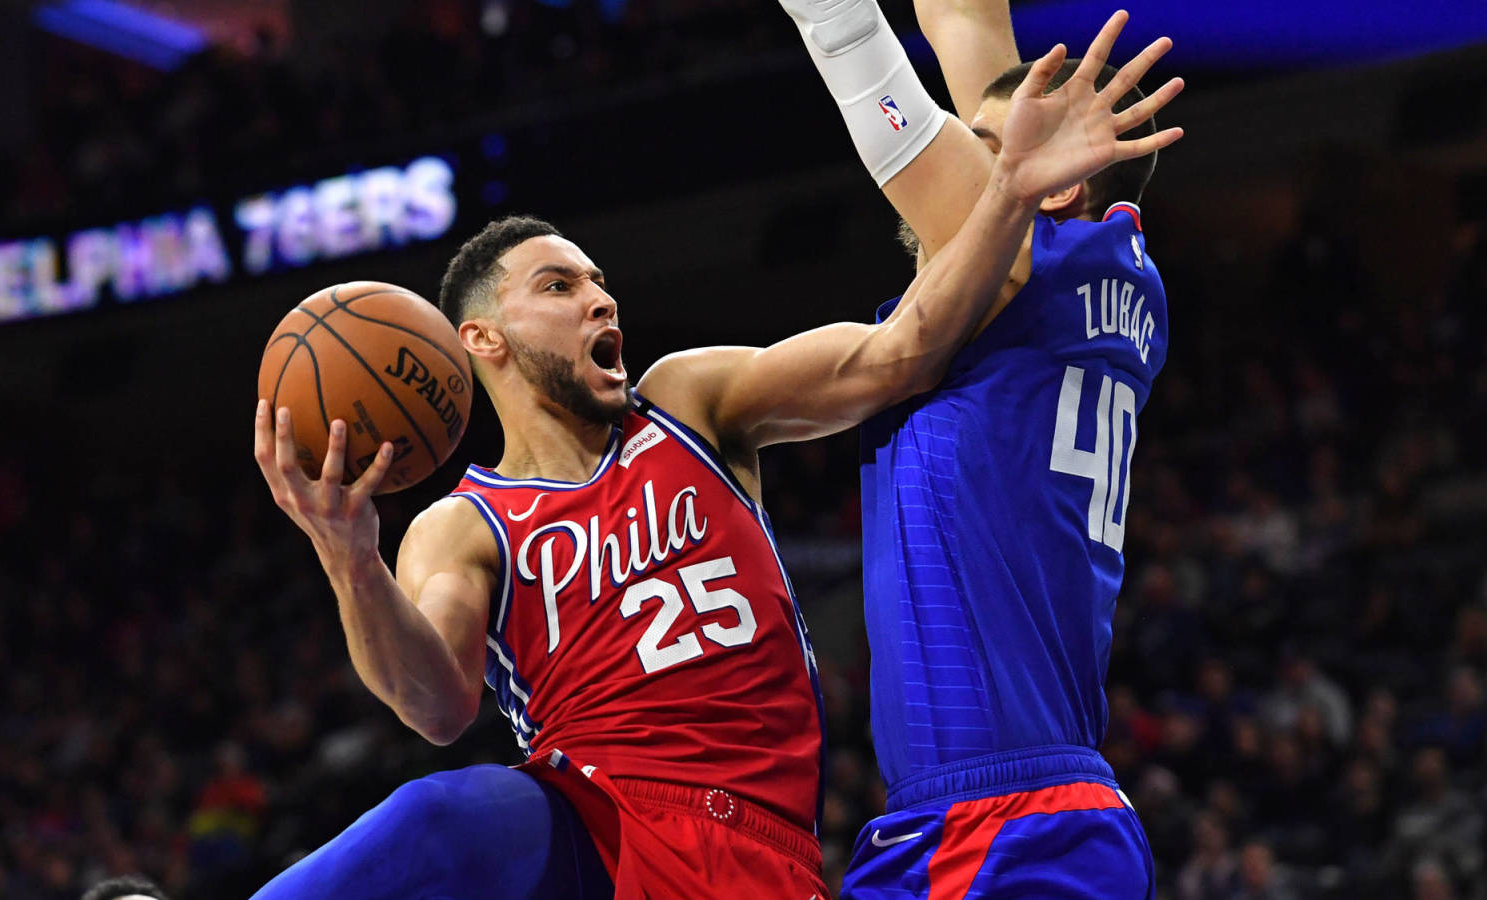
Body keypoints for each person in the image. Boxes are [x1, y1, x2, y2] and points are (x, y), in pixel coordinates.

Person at [248, 25, 1178, 897]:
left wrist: (1006, 194)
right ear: (481, 338)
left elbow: (904, 351)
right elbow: (438, 707)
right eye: (560, 286)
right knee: (444, 814)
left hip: (772, 855)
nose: (600, 302)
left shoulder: (689, 400)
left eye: (602, 283)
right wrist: (348, 557)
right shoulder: (465, 523)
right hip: (602, 821)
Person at [778, 0, 1181, 896]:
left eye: (985, 151)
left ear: (1057, 181)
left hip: (1003, 820)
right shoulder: (1088, 278)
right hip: (1000, 811)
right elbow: (965, 20)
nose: (963, 166)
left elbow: (865, 62)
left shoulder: (1029, 265)